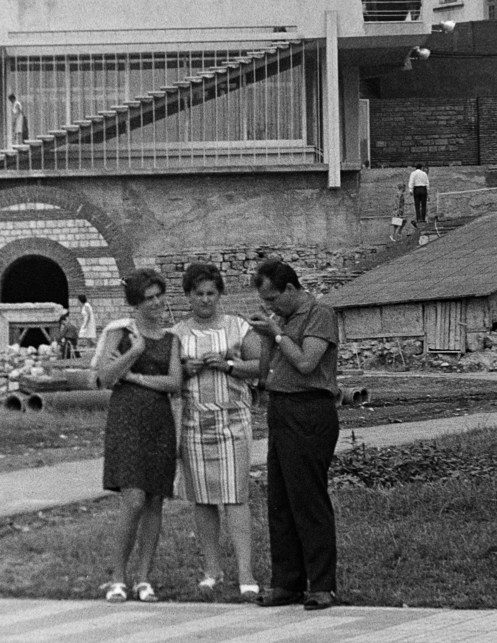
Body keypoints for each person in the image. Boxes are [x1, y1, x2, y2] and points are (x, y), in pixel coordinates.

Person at [247, 261, 341, 611]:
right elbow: (263, 375)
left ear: (290, 289)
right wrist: (267, 337)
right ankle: (286, 582)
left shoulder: (320, 313)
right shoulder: (282, 323)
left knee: (308, 499)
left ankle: (321, 585)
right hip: (282, 408)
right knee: (281, 501)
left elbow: (306, 363)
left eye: (274, 298)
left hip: (310, 410)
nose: (271, 306)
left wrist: (276, 334)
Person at [172, 262, 264, 600]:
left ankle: (245, 571)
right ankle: (211, 570)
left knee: (235, 495)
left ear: (220, 294)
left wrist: (228, 365)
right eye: (199, 294)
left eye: (212, 293)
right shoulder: (177, 334)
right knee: (202, 498)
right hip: (194, 423)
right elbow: (170, 379)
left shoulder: (238, 327)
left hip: (232, 421)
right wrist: (186, 368)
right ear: (188, 296)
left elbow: (261, 367)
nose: (206, 300)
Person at [95, 269, 182, 603]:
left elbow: (174, 383)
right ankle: (118, 576)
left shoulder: (172, 339)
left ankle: (144, 577)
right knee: (133, 499)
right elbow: (105, 377)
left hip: (160, 422)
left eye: (161, 295)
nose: (158, 302)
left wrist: (135, 378)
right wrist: (135, 352)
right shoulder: (121, 334)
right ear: (136, 302)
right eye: (150, 297)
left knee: (155, 499)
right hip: (127, 420)